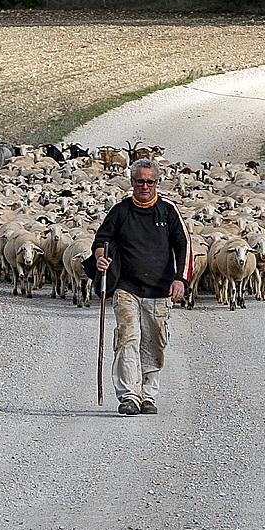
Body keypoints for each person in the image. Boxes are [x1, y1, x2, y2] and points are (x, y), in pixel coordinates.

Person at [92, 160, 187, 415]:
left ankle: (148, 395)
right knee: (127, 338)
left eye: (150, 182)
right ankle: (129, 395)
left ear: (157, 183)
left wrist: (180, 278)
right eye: (140, 181)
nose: (145, 186)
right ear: (132, 182)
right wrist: (101, 258)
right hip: (126, 287)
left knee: (154, 342)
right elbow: (101, 240)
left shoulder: (167, 211)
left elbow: (183, 245)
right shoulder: (121, 211)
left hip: (159, 289)